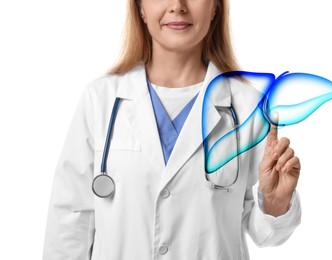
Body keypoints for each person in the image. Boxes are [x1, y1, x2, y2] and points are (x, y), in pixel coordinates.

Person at [42, 0, 301, 259]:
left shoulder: (248, 106)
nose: (177, 5)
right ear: (140, 8)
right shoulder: (101, 100)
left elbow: (265, 234)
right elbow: (70, 220)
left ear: (215, 8)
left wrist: (275, 202)